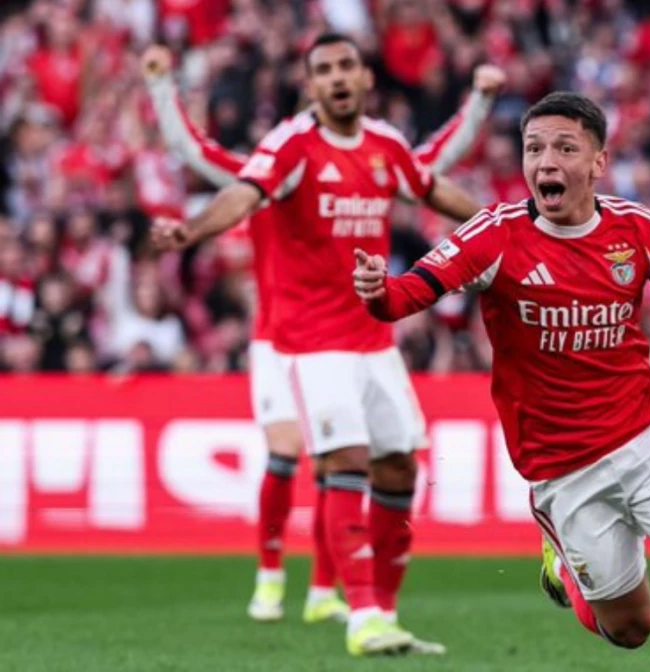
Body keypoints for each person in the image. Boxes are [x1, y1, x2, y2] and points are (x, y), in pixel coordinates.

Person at [353, 91, 650, 672]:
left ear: (598, 162)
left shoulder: (637, 229)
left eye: (564, 148)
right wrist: (380, 292)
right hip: (562, 465)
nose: (545, 162)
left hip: (647, 434)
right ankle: (565, 569)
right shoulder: (494, 235)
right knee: (631, 630)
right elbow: (408, 295)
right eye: (534, 149)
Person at [140, 46, 501, 629]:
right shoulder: (280, 155)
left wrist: (501, 222)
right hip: (289, 339)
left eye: (345, 68)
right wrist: (191, 228)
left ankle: (336, 595)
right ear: (307, 85)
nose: (336, 80)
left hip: (371, 334)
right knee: (305, 456)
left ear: (364, 77)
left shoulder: (382, 147)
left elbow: (429, 172)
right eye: (323, 71)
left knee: (386, 465)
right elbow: (208, 166)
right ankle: (278, 580)